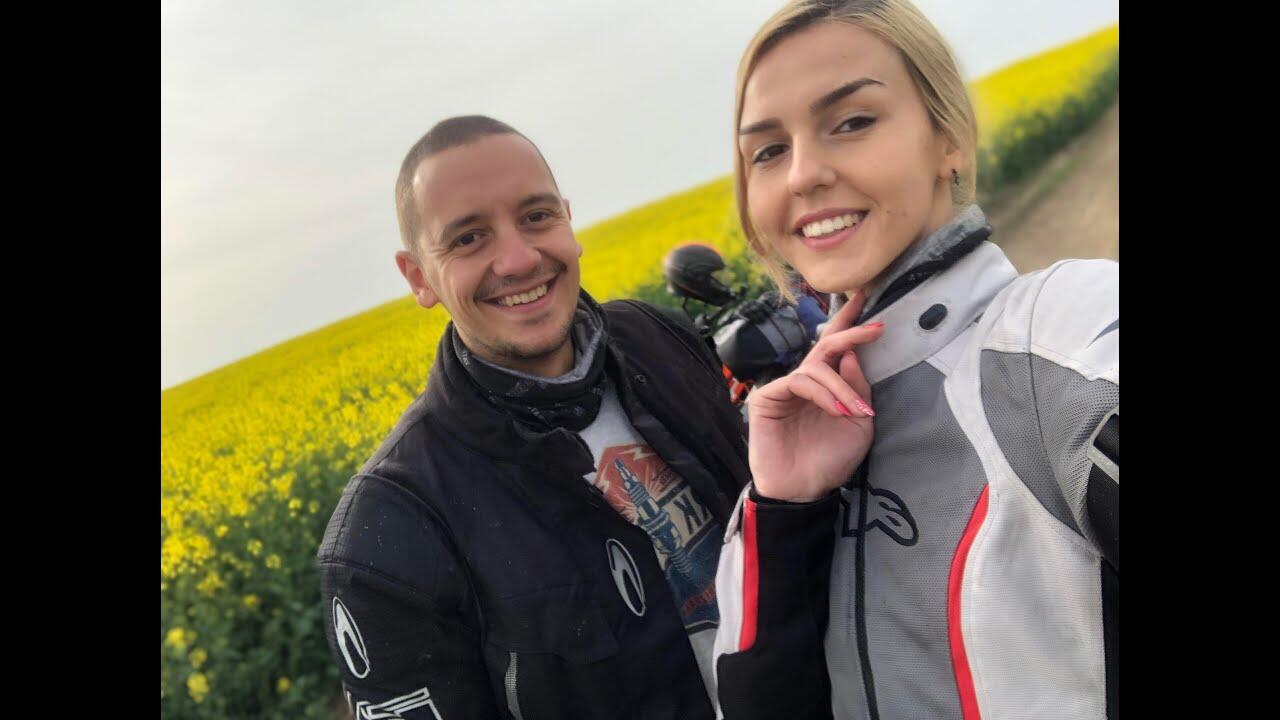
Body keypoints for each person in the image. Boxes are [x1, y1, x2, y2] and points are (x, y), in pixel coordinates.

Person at [710, 2, 1119, 719]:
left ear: (948, 139)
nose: (802, 174)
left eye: (852, 122)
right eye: (768, 151)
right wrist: (786, 514)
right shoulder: (783, 461)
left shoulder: (1059, 342)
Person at [317, 115, 751, 720]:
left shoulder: (661, 339)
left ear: (568, 220)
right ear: (419, 277)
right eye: (469, 238)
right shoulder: (389, 529)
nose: (519, 259)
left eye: (537, 216)